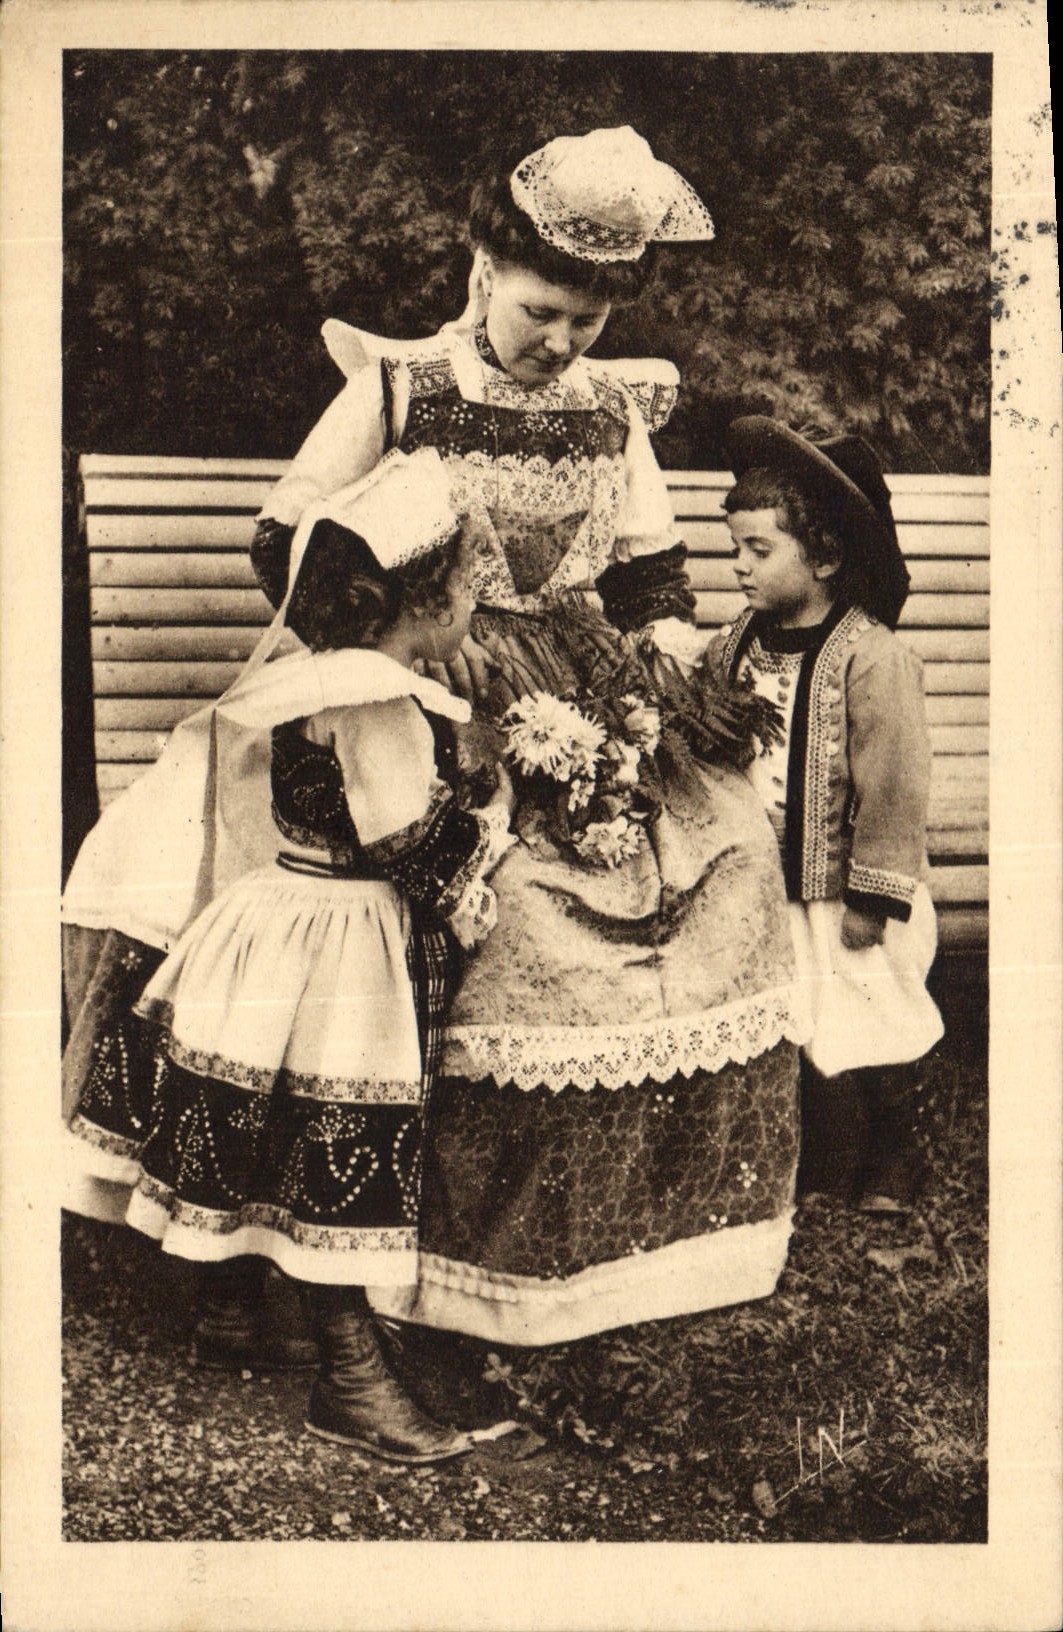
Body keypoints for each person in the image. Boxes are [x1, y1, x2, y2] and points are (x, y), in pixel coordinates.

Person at [248, 126, 807, 1350]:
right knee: (516, 910)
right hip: (426, 685)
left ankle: (648, 1246)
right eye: (538, 311)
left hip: (584, 675)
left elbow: (650, 577)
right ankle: (455, 1266)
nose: (558, 342)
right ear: (482, 271)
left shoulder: (612, 410)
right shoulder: (403, 384)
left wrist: (667, 670)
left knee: (725, 866)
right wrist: (400, 635)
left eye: (584, 323)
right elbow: (285, 538)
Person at [64, 449, 516, 1461]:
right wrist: (490, 812)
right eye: (468, 593)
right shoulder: (381, 698)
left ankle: (233, 1311)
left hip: (272, 919)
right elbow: (406, 841)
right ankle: (351, 1379)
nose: (473, 614)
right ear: (427, 602)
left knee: (264, 1111)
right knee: (334, 1137)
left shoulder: (304, 679)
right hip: (341, 941)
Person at [714, 416, 944, 1211]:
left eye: (758, 550)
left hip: (849, 890)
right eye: (734, 548)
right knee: (807, 1018)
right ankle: (827, 1159)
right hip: (771, 884)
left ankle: (896, 1152)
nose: (738, 566)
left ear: (824, 559)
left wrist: (871, 899)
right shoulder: (737, 643)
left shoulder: (870, 657)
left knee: (868, 1009)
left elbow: (894, 784)